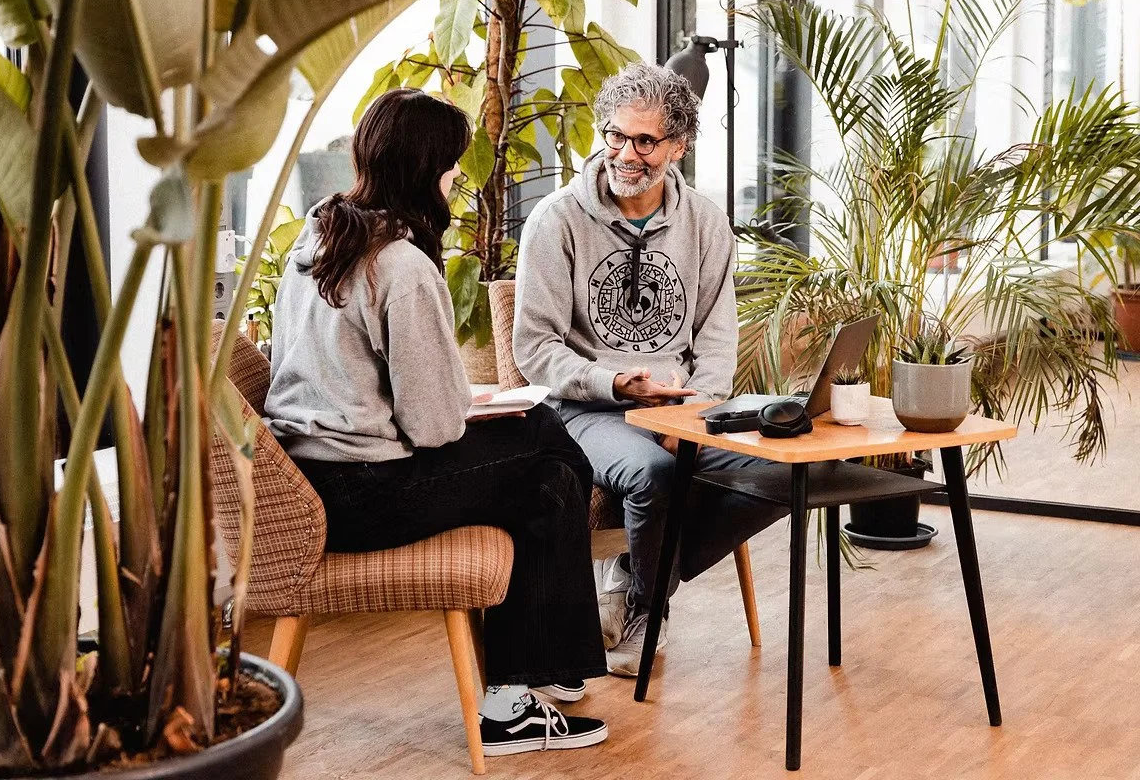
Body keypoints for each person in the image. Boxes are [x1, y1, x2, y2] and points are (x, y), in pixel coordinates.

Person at [265, 88, 608, 756]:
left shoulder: (315, 241)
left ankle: (537, 679)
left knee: (547, 468)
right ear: (426, 169)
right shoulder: (400, 264)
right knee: (550, 457)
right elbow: (433, 428)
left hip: (310, 479)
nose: (458, 176)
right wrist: (467, 403)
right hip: (367, 492)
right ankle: (533, 683)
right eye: (452, 164)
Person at [513, 64, 787, 677]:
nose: (625, 154)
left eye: (645, 141)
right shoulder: (555, 221)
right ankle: (648, 611)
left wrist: (692, 412)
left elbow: (717, 335)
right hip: (585, 408)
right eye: (615, 135)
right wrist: (615, 384)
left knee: (786, 469)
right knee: (653, 473)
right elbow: (534, 347)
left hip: (681, 403)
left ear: (679, 145)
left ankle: (634, 578)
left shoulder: (706, 222)